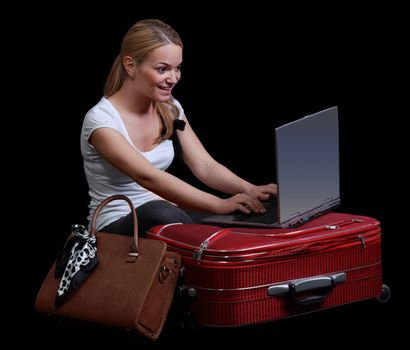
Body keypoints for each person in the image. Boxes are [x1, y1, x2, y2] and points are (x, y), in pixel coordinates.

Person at [80, 19, 277, 236]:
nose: (173, 78)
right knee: (162, 210)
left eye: (178, 68)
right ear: (130, 65)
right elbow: (148, 177)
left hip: (166, 214)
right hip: (116, 227)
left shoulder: (169, 107)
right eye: (162, 69)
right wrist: (218, 204)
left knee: (240, 218)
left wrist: (249, 189)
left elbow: (205, 166)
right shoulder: (101, 121)